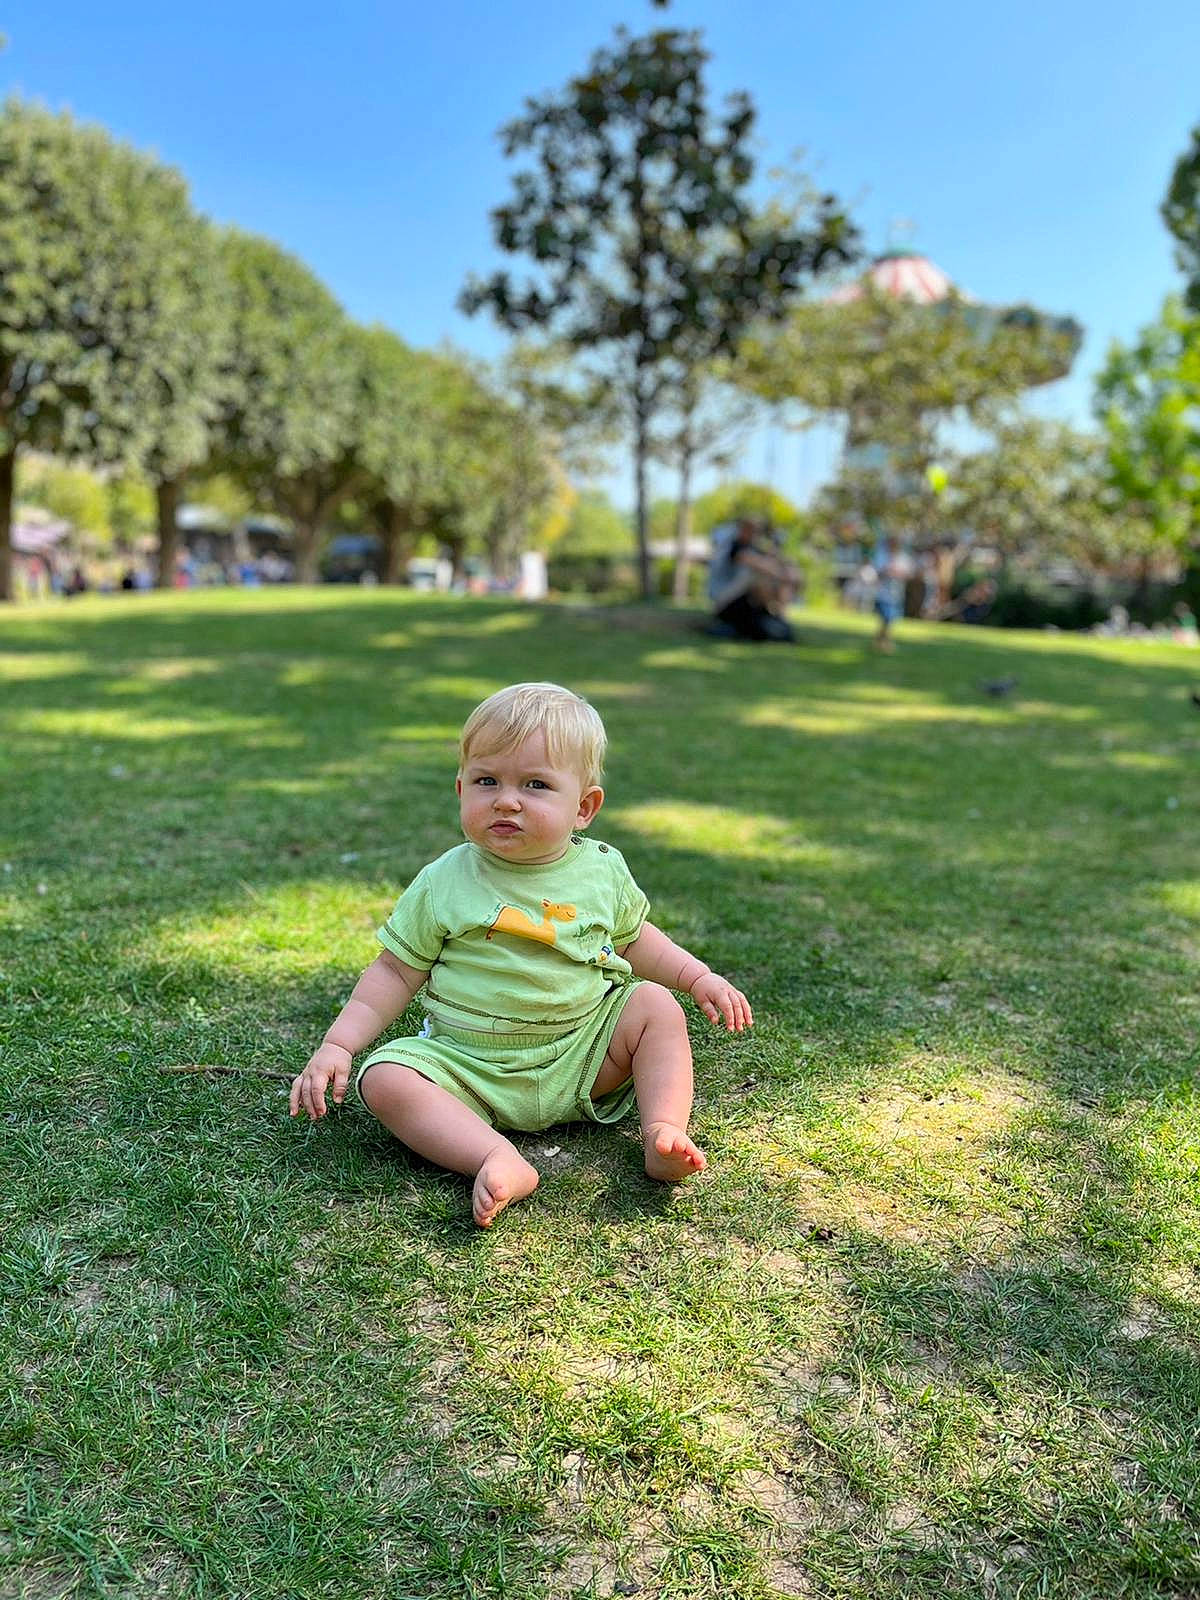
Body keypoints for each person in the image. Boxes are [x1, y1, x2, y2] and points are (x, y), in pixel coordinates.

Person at [290, 682, 753, 1227]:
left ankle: (663, 1132)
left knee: (654, 1006)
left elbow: (635, 939)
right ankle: (492, 1154)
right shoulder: (445, 881)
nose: (506, 799)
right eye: (487, 781)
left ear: (583, 807)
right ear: (461, 788)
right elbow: (394, 969)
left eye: (535, 784)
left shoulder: (602, 871)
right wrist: (338, 1044)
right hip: (471, 1069)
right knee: (385, 1077)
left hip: (582, 1056)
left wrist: (696, 977)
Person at [707, 520, 798, 642]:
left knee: (773, 577)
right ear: (743, 530)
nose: (755, 535)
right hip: (726, 602)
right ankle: (779, 618)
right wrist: (783, 575)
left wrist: (782, 565)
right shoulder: (735, 547)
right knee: (758, 576)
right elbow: (758, 563)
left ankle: (780, 617)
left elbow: (772, 564)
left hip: (744, 602)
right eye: (753, 531)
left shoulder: (752, 548)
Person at [871, 536, 911, 651]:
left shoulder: (903, 557)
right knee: (886, 618)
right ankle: (884, 642)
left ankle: (880, 641)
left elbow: (908, 574)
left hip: (896, 594)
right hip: (883, 593)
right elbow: (878, 572)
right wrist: (888, 571)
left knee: (890, 619)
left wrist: (898, 573)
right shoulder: (882, 555)